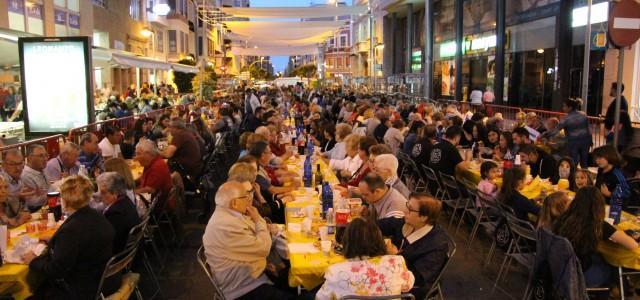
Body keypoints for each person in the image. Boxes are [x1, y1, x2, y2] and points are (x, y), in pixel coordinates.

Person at [23, 176, 116, 298]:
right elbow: (83, 243)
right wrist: (57, 242)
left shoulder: (71, 230)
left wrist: (33, 261)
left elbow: (56, 270)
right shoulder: (97, 216)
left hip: (81, 289)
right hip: (104, 279)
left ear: (65, 200)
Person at [202, 181, 292, 300]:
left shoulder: (228, 214)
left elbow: (250, 245)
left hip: (250, 274)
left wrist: (262, 265)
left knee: (289, 277)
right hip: (243, 288)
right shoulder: (226, 226)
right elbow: (263, 248)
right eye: (245, 196)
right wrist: (258, 219)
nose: (249, 199)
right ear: (234, 203)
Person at [553, 187, 638, 287]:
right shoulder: (597, 225)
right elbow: (632, 245)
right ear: (598, 205)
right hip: (579, 275)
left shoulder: (563, 218)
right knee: (613, 264)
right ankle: (617, 292)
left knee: (602, 256)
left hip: (559, 268)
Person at [316, 217, 414, 300]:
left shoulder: (335, 272)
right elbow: (407, 286)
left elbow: (321, 298)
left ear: (347, 242)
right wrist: (391, 255)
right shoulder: (397, 262)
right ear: (380, 240)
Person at [377, 193, 449, 299]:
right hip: (392, 270)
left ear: (424, 217)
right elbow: (384, 224)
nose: (405, 211)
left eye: (410, 209)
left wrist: (394, 257)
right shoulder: (409, 222)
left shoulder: (436, 245)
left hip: (413, 288)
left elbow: (417, 277)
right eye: (407, 206)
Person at [541, 98, 592, 168]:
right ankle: (585, 176)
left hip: (573, 143)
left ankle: (574, 177)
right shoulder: (583, 115)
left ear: (570, 107)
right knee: (584, 162)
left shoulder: (566, 119)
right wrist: (591, 140)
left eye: (564, 106)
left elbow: (555, 131)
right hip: (586, 142)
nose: (563, 108)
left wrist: (544, 135)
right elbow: (588, 129)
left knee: (574, 162)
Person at [97, 172, 140, 253]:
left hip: (118, 254)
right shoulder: (125, 199)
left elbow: (107, 239)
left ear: (115, 193)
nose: (100, 196)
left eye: (103, 192)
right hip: (129, 248)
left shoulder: (115, 213)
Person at [0, 149, 32, 224]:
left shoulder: (20, 178)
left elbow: (23, 212)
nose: (18, 168)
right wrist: (17, 221)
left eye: (20, 163)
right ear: (3, 165)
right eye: (12, 164)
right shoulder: (3, 179)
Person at [21, 144, 50, 211]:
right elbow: (32, 203)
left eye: (46, 155)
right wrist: (52, 194)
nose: (45, 159)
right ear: (30, 158)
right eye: (41, 156)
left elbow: (49, 188)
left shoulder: (42, 169)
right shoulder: (25, 176)